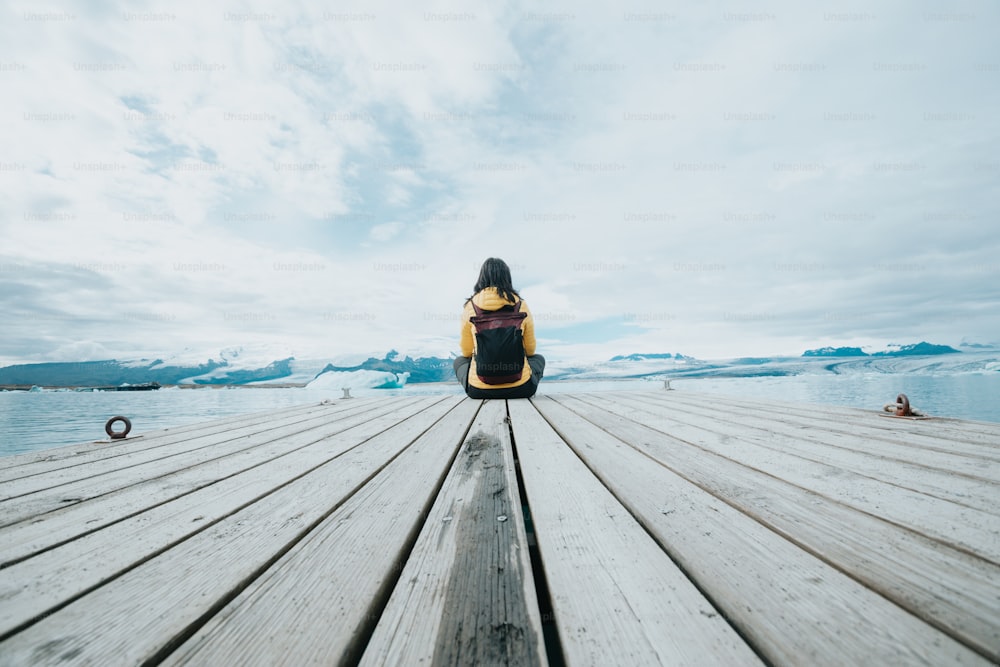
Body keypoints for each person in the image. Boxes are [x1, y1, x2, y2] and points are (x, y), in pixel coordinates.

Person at [454, 258, 545, 399]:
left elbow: (466, 351)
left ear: (482, 278)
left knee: (459, 361)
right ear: (507, 278)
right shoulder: (521, 305)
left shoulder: (470, 307)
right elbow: (530, 349)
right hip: (522, 388)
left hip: (478, 390)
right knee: (539, 358)